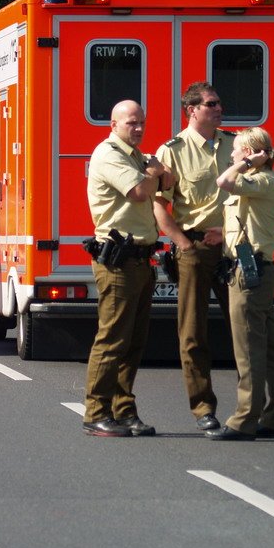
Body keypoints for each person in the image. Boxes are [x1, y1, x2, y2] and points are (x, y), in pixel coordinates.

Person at [82, 100, 173, 437]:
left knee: (134, 341)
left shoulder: (136, 156)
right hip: (118, 261)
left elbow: (170, 181)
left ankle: (123, 410)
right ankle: (96, 412)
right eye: (131, 123)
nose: (138, 128)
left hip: (141, 259)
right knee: (112, 339)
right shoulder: (108, 154)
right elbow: (139, 192)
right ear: (113, 124)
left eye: (142, 123)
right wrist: (153, 172)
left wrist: (156, 172)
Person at [153, 82, 235, 432]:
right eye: (211, 104)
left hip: (234, 247)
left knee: (247, 328)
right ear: (192, 110)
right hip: (196, 248)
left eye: (219, 103)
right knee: (193, 332)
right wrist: (183, 243)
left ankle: (250, 410)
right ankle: (204, 409)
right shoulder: (172, 150)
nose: (219, 109)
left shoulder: (235, 144)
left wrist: (232, 234)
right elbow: (159, 205)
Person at [205, 126, 274, 440]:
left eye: (237, 150)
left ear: (254, 152)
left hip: (249, 273)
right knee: (269, 347)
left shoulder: (261, 180)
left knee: (248, 349)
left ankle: (244, 420)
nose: (231, 155)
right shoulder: (259, 184)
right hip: (254, 269)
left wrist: (248, 162)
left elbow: (224, 181)